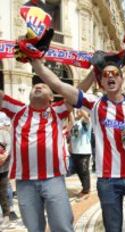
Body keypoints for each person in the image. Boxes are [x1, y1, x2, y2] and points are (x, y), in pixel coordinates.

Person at [29, 57, 125, 232]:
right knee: (112, 229)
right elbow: (59, 85)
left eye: (115, 74)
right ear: (101, 81)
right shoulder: (95, 104)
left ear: (122, 79)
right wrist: (35, 62)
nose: (110, 76)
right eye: (105, 75)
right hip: (108, 180)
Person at [0, 83, 74, 232]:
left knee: (62, 226)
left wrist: (95, 71)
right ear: (29, 94)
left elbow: (77, 94)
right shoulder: (17, 109)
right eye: (35, 85)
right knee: (33, 228)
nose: (38, 86)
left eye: (44, 86)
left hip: (54, 178)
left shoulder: (57, 110)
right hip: (25, 181)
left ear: (51, 98)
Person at [69, 109, 92, 199]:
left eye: (79, 111)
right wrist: (70, 145)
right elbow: (73, 135)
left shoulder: (86, 122)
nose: (77, 111)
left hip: (84, 151)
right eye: (76, 111)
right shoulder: (76, 122)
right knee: (79, 171)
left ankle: (86, 190)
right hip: (75, 151)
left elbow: (86, 116)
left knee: (84, 171)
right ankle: (85, 188)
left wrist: (80, 106)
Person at [0, 113, 11, 227]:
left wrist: (5, 156)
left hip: (3, 168)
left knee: (3, 191)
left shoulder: (4, 134)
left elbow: (8, 147)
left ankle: (6, 215)